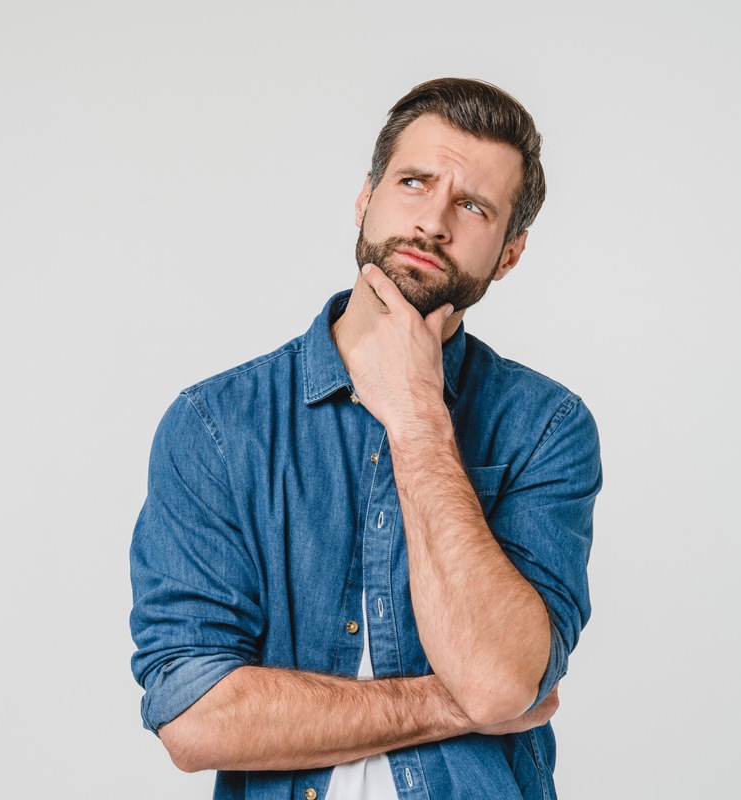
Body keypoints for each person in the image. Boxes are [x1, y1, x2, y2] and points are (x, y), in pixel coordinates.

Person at [129, 78, 602, 800]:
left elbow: (501, 677)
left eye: (472, 206)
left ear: (509, 254)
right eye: (414, 182)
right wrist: (453, 705)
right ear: (366, 198)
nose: (434, 222)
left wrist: (417, 414)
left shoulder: (547, 427)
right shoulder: (217, 425)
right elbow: (195, 719)